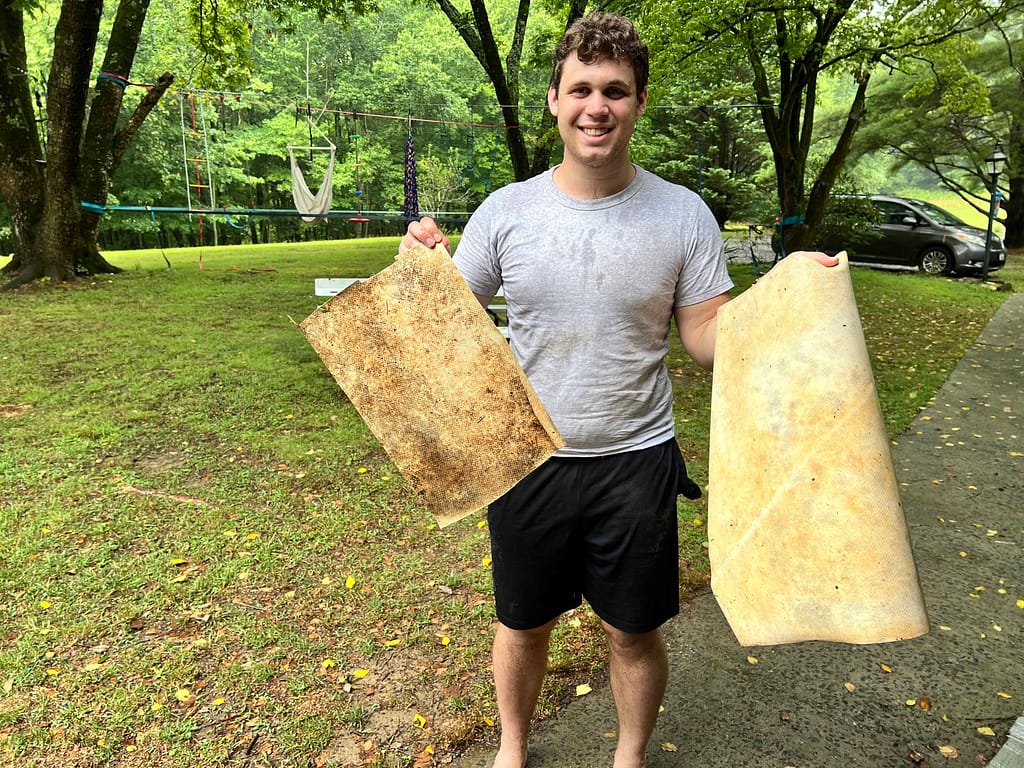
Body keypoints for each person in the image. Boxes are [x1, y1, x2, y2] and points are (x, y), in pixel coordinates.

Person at [401, 12, 835, 768]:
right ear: (554, 100)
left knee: (633, 631)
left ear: (637, 103)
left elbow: (705, 337)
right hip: (528, 458)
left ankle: (629, 755)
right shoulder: (507, 211)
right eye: (581, 89)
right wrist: (421, 268)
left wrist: (786, 300)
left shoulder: (681, 214)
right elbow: (448, 329)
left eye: (615, 90)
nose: (596, 105)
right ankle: (512, 747)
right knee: (522, 623)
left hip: (636, 463)